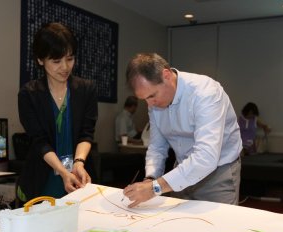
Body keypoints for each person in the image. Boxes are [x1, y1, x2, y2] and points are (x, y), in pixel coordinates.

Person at [123, 53, 242, 208]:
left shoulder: (205, 93)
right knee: (178, 227)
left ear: (166, 75)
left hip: (217, 174)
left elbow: (206, 157)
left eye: (152, 96)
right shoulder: (154, 103)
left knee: (217, 227)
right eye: (145, 99)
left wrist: (155, 188)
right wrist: (150, 178)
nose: (150, 104)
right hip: (180, 171)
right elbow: (157, 147)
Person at [17, 22, 98, 202]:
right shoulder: (29, 94)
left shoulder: (86, 90)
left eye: (70, 59)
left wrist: (78, 163)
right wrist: (63, 171)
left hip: (79, 175)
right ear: (40, 59)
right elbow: (39, 141)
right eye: (56, 61)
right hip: (43, 176)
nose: (65, 67)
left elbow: (87, 133)